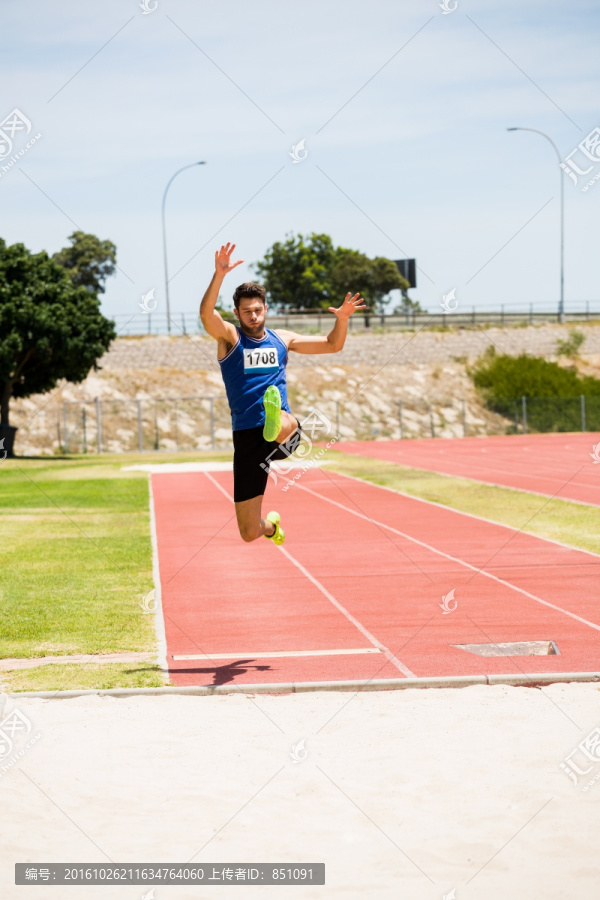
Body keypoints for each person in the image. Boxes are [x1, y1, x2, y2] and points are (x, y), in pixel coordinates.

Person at [200, 242, 365, 545]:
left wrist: (341, 320)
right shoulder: (230, 338)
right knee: (248, 533)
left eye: (258, 310)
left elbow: (332, 345)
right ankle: (272, 528)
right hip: (247, 436)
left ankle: (275, 418)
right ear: (237, 313)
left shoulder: (282, 340)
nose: (253, 316)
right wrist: (219, 275)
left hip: (283, 435)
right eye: (247, 311)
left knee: (280, 424)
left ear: (266, 309)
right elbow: (206, 315)